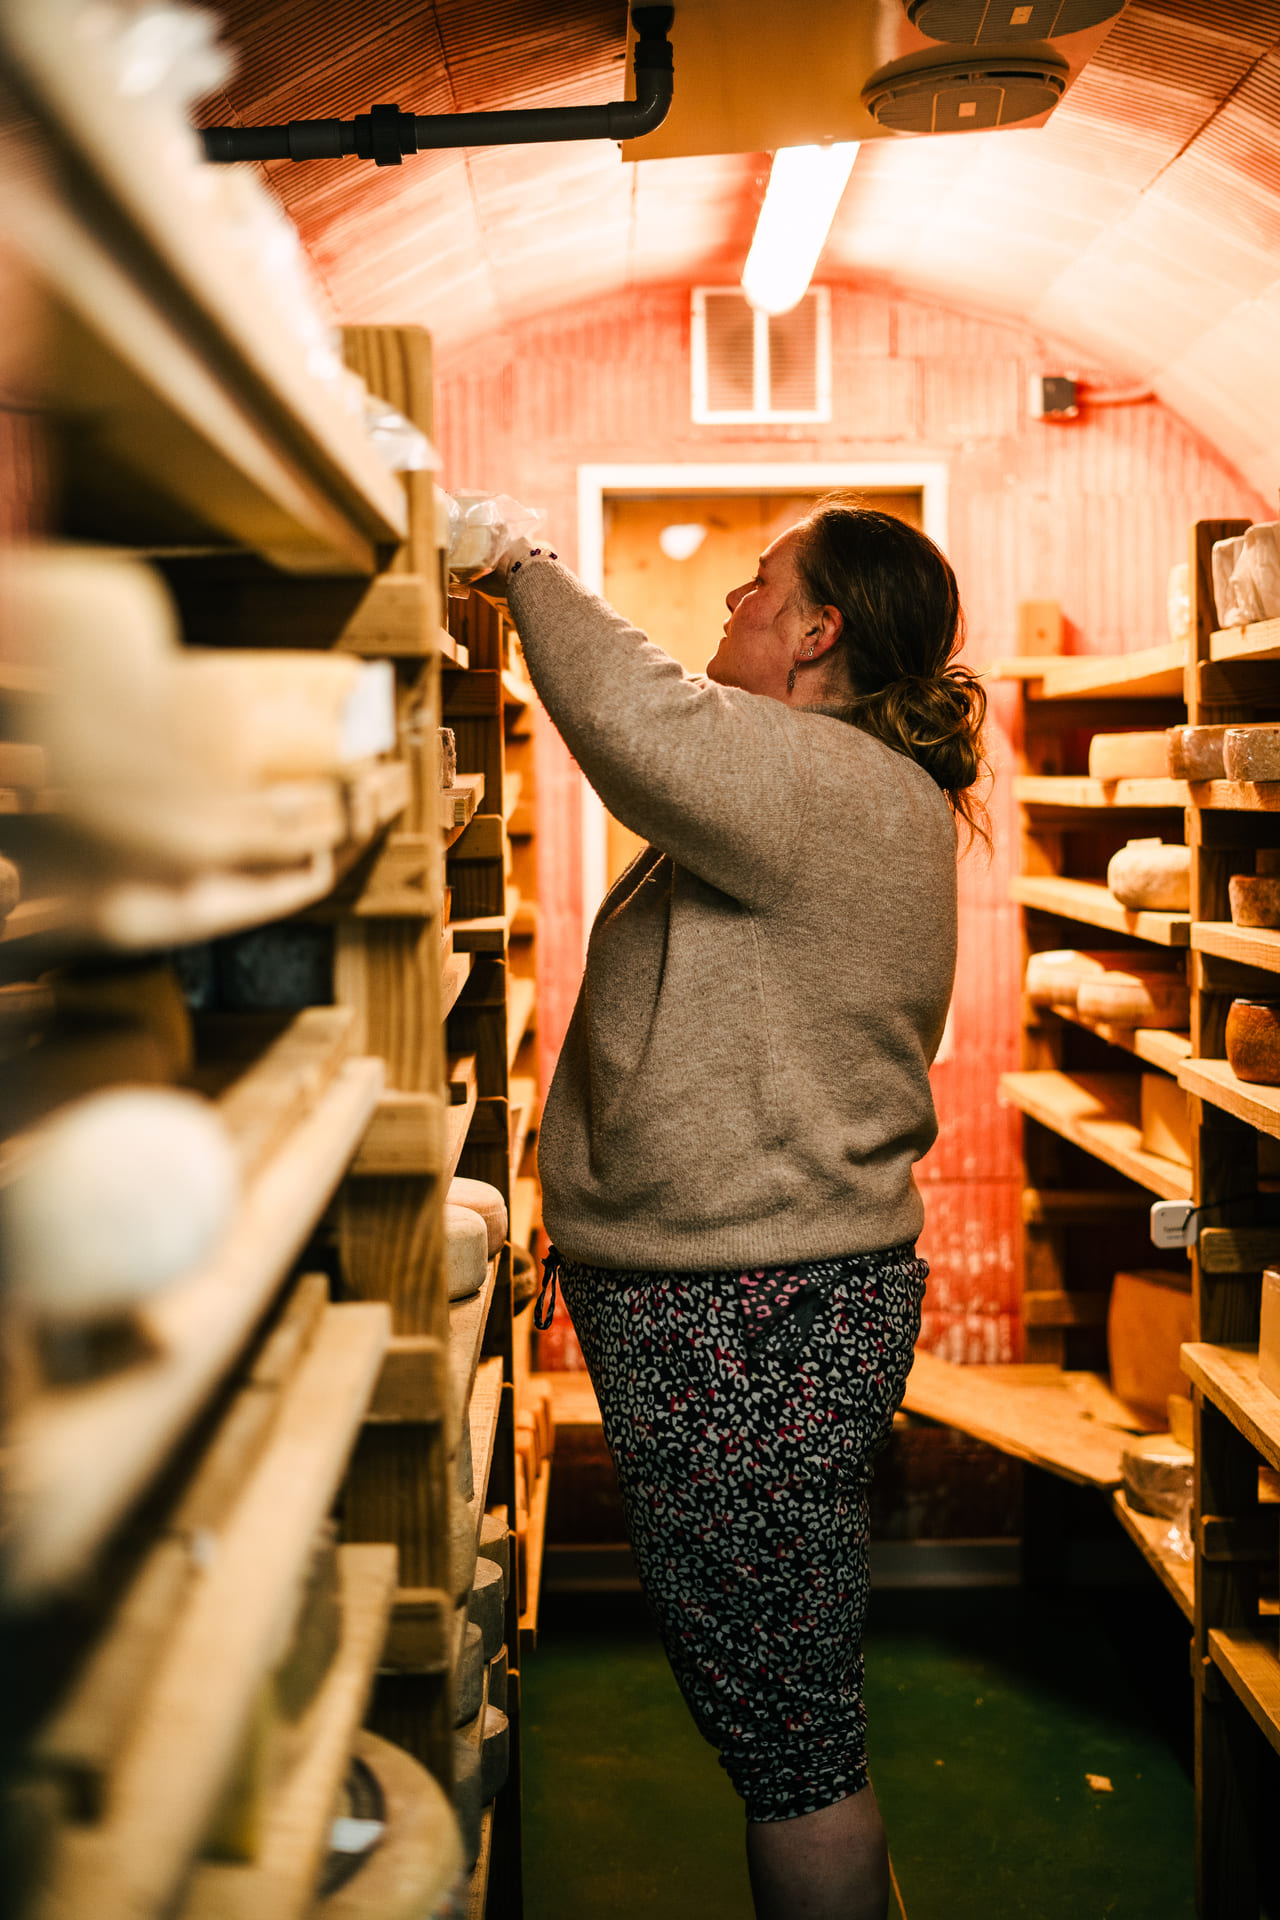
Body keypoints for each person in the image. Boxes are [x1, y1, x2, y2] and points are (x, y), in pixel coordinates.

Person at [495, 494, 988, 1920]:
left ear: (817, 632)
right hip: (747, 1301)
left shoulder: (820, 779)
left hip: (751, 1313)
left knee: (791, 1745)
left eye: (756, 586)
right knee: (786, 1718)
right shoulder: (832, 781)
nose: (728, 605)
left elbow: (634, 718)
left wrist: (519, 563)